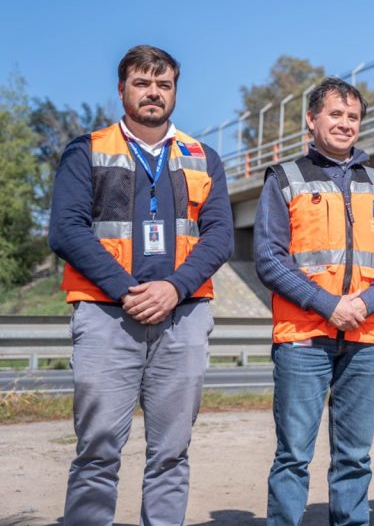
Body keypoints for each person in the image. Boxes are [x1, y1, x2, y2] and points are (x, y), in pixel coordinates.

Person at [50, 44, 234, 524]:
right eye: (142, 83)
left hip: (183, 317)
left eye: (163, 84)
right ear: (122, 89)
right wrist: (127, 291)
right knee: (97, 452)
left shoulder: (202, 156)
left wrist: (174, 288)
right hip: (107, 316)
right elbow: (67, 230)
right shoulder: (87, 150)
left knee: (171, 453)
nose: (153, 93)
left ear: (175, 91)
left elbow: (220, 237)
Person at [254, 77, 374, 526]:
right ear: (312, 119)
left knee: (355, 457)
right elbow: (268, 258)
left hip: (365, 336)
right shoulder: (284, 178)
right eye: (335, 114)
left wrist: (368, 301)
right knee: (293, 456)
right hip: (304, 338)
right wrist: (328, 304)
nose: (345, 124)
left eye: (353, 117)